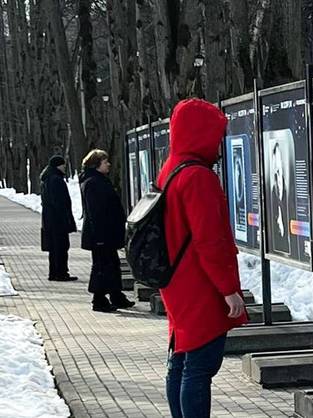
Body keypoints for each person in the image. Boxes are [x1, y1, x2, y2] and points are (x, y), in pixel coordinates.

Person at [157, 98, 248, 418]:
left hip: (177, 281)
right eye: (215, 133)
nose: (219, 142)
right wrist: (228, 289)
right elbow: (210, 240)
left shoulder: (171, 169)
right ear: (201, 133)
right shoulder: (198, 177)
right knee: (199, 366)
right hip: (199, 284)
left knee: (181, 361)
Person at [79, 149, 135, 312]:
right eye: (105, 162)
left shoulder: (98, 180)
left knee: (112, 264)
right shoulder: (93, 183)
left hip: (106, 233)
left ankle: (116, 295)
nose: (108, 164)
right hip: (101, 234)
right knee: (102, 266)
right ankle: (99, 298)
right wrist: (100, 236)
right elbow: (96, 212)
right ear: (96, 165)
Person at [40, 155, 78, 282]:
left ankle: (54, 272)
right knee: (61, 247)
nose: (64, 167)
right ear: (57, 165)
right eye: (63, 165)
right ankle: (61, 273)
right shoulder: (56, 180)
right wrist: (65, 218)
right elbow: (60, 202)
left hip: (50, 220)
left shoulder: (47, 179)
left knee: (54, 248)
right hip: (58, 220)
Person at [270, 142, 291, 253]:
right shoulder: (272, 194)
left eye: (279, 170)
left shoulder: (289, 193)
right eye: (275, 172)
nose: (277, 175)